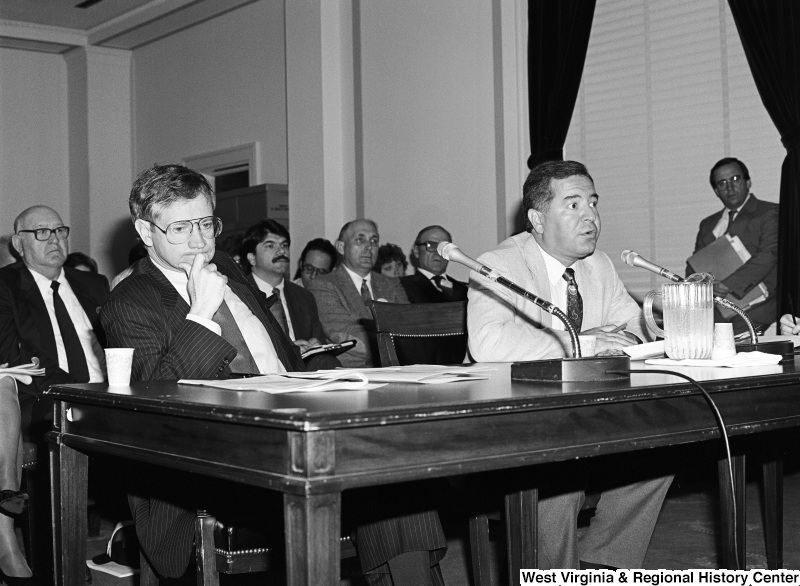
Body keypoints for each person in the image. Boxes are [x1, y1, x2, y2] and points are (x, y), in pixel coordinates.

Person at [101, 164, 305, 579]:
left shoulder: (227, 267)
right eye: (180, 229)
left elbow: (282, 358)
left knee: (393, 486)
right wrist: (201, 314)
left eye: (205, 224)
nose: (198, 241)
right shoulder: (130, 302)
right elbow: (157, 402)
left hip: (297, 415)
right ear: (145, 233)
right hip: (211, 453)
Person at [468, 160, 672, 569]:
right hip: (514, 419)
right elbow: (487, 342)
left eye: (594, 203)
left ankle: (604, 565)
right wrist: (586, 341)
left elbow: (635, 325)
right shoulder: (499, 263)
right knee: (556, 477)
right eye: (573, 205)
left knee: (664, 447)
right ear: (537, 219)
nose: (591, 217)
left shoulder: (598, 265)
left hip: (587, 412)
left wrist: (672, 329)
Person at [0, 205, 109, 582]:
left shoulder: (94, 285)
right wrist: (78, 388)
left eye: (60, 230)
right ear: (19, 243)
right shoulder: (6, 286)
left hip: (110, 390)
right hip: (44, 395)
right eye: (41, 233)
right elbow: (12, 357)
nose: (55, 239)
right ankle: (59, 560)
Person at [687, 157, 778, 333]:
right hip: (714, 307)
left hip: (756, 305)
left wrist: (727, 285)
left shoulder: (769, 213)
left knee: (727, 342)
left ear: (748, 182)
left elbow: (768, 256)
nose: (729, 187)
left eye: (735, 179)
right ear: (716, 191)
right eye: (722, 183)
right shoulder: (707, 224)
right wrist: (706, 286)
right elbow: (694, 267)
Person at [239, 219, 340, 370]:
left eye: (284, 245)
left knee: (326, 361)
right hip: (265, 370)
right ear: (252, 257)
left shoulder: (304, 296)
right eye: (271, 245)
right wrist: (289, 349)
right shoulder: (239, 295)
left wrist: (315, 345)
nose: (282, 252)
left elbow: (319, 338)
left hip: (307, 368)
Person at [308, 219, 409, 368]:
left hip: (397, 370)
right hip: (350, 376)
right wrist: (396, 344)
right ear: (341, 247)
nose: (369, 246)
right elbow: (346, 335)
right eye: (360, 240)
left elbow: (410, 329)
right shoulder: (323, 285)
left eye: (374, 240)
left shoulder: (392, 285)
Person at [401, 225, 468, 303]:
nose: (438, 253)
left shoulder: (466, 291)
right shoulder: (401, 286)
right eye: (431, 245)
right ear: (416, 251)